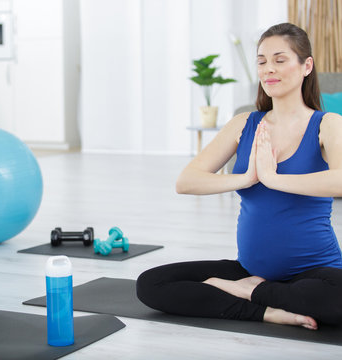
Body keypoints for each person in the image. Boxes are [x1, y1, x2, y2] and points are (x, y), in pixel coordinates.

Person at [136, 22, 342, 330]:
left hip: (316, 273)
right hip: (249, 269)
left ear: (306, 65)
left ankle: (255, 293)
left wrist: (273, 179)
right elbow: (186, 181)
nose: (268, 69)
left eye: (280, 59)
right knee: (150, 284)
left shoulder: (327, 124)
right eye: (261, 61)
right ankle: (265, 308)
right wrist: (246, 178)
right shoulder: (244, 124)